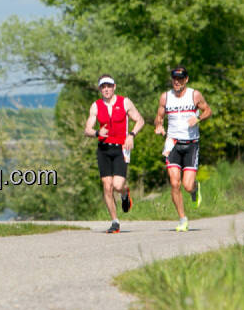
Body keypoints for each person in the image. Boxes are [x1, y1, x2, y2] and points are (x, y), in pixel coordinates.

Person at [84, 74, 145, 234]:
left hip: (121, 148)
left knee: (118, 185)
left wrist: (131, 135)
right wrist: (97, 132)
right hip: (104, 149)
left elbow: (140, 120)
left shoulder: (124, 102)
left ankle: (125, 193)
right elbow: (87, 130)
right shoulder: (96, 106)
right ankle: (115, 221)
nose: (106, 89)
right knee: (107, 186)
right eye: (103, 87)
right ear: (100, 89)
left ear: (114, 87)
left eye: (109, 86)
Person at [153, 65, 211, 232]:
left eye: (180, 79)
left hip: (191, 144)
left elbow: (208, 110)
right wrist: (159, 127)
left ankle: (194, 189)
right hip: (172, 143)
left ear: (186, 79)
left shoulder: (194, 95)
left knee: (187, 185)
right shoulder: (165, 97)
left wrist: (198, 118)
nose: (177, 82)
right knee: (174, 183)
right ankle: (182, 219)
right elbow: (159, 117)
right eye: (174, 79)